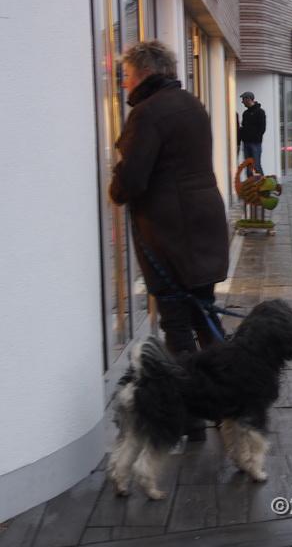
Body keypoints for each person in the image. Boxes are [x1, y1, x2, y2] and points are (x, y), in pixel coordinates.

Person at [109, 40, 229, 365]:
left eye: (127, 74)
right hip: (203, 221)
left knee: (176, 319)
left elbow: (132, 179)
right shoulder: (191, 103)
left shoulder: (147, 113)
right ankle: (229, 390)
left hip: (172, 232)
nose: (123, 82)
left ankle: (190, 398)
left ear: (145, 74)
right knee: (204, 312)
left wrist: (114, 188)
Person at [239, 91, 266, 176]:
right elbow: (243, 127)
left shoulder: (260, 112)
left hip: (255, 144)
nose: (242, 102)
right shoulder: (245, 113)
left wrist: (255, 138)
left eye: (243, 99)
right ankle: (250, 187)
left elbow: (262, 129)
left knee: (256, 166)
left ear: (249, 99)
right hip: (246, 143)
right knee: (248, 167)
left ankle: (262, 187)